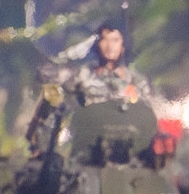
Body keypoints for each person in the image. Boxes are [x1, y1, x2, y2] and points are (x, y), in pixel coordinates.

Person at [26, 23, 156, 151]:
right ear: (97, 43)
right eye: (104, 39)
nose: (110, 45)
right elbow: (56, 98)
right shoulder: (81, 76)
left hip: (129, 145)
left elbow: (154, 112)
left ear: (123, 45)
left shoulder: (137, 82)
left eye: (115, 40)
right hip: (85, 143)